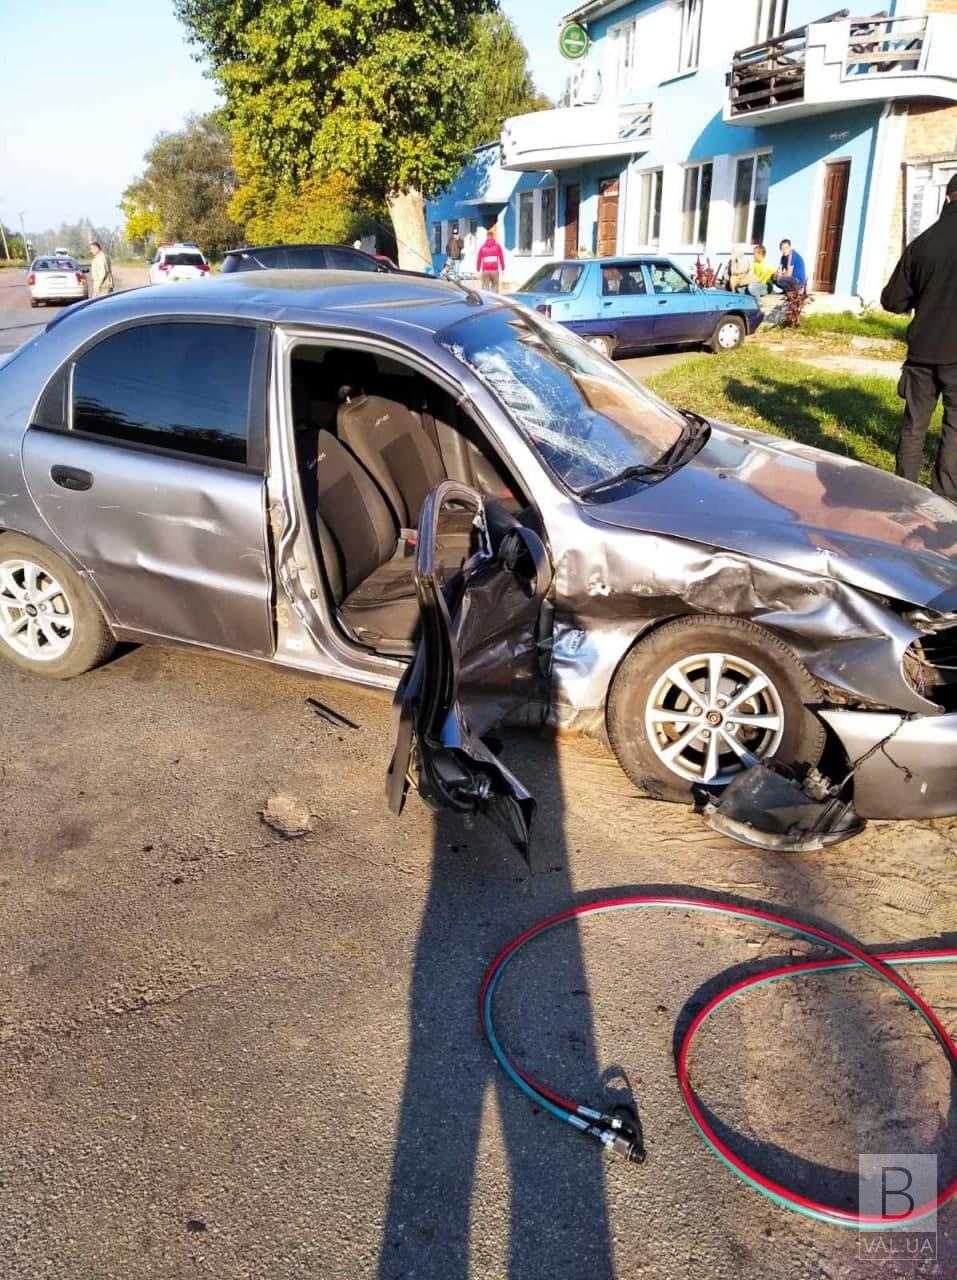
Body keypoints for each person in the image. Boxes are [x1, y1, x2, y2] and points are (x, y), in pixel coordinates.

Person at [881, 172, 957, 498]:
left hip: (922, 354)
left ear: (948, 197)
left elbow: (892, 300)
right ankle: (945, 504)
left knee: (914, 428)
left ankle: (904, 497)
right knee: (954, 432)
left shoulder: (923, 243)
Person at [476, 226, 505, 292]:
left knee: (485, 289)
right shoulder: (497, 246)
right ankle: (494, 301)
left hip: (485, 271)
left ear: (487, 237)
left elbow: (479, 258)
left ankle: (486, 301)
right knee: (495, 287)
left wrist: (478, 269)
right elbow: (501, 258)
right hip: (495, 271)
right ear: (493, 237)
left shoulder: (482, 247)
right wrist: (503, 268)